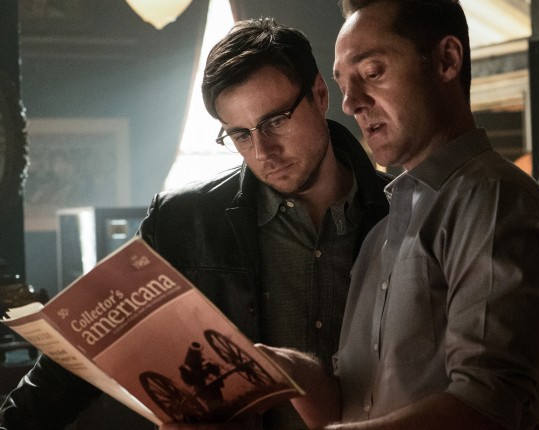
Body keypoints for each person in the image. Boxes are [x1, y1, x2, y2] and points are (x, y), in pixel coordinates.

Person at [0, 17, 390, 430]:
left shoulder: (404, 209)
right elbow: (69, 366)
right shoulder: (182, 220)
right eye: (240, 135)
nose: (264, 152)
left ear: (319, 94)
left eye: (275, 121)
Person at [249, 1, 539, 429]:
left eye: (372, 73)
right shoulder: (382, 232)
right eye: (343, 84)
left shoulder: (496, 202)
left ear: (447, 60)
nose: (350, 103)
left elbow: (486, 409)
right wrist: (287, 369)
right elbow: (354, 405)